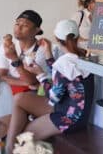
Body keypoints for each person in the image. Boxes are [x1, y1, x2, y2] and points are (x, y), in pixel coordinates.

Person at [6, 19, 94, 152]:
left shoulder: (63, 63)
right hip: (79, 115)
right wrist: (48, 53)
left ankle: (9, 148)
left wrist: (40, 74)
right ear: (77, 36)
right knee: (19, 98)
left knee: (22, 137)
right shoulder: (84, 55)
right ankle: (9, 148)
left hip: (67, 118)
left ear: (57, 39)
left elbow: (53, 98)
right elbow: (62, 77)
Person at [0, 10, 49, 95]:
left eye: (25, 25)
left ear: (36, 30)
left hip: (34, 93)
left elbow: (33, 80)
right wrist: (25, 83)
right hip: (10, 89)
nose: (18, 28)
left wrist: (14, 59)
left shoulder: (42, 49)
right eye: (17, 24)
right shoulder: (7, 46)